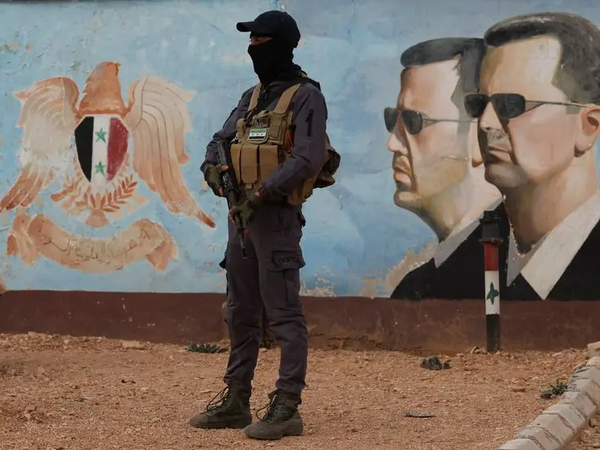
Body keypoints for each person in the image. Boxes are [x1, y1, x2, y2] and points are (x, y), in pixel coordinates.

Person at [189, 10, 334, 440]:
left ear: (284, 45)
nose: (254, 48)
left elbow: (308, 158)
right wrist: (213, 168)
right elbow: (220, 140)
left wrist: (261, 195)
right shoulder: (252, 97)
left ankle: (287, 406)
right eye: (251, 41)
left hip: (275, 219)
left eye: (261, 41)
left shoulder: (306, 97)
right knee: (240, 311)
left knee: (284, 313)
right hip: (241, 218)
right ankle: (236, 399)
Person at [466, 12, 600, 300]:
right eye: (479, 104)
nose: (486, 123)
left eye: (511, 105)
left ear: (588, 126)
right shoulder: (457, 268)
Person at [385, 38, 501, 299]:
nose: (392, 143)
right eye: (392, 120)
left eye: (413, 121)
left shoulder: (517, 268)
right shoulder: (414, 289)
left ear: (481, 136)